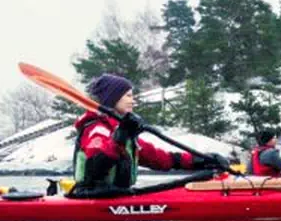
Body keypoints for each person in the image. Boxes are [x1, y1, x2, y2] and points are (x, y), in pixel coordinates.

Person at [73, 74, 226, 190]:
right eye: (128, 95)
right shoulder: (97, 129)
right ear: (112, 98)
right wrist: (120, 137)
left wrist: (200, 161)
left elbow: (159, 158)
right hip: (95, 197)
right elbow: (95, 167)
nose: (133, 101)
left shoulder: (120, 130)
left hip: (115, 195)